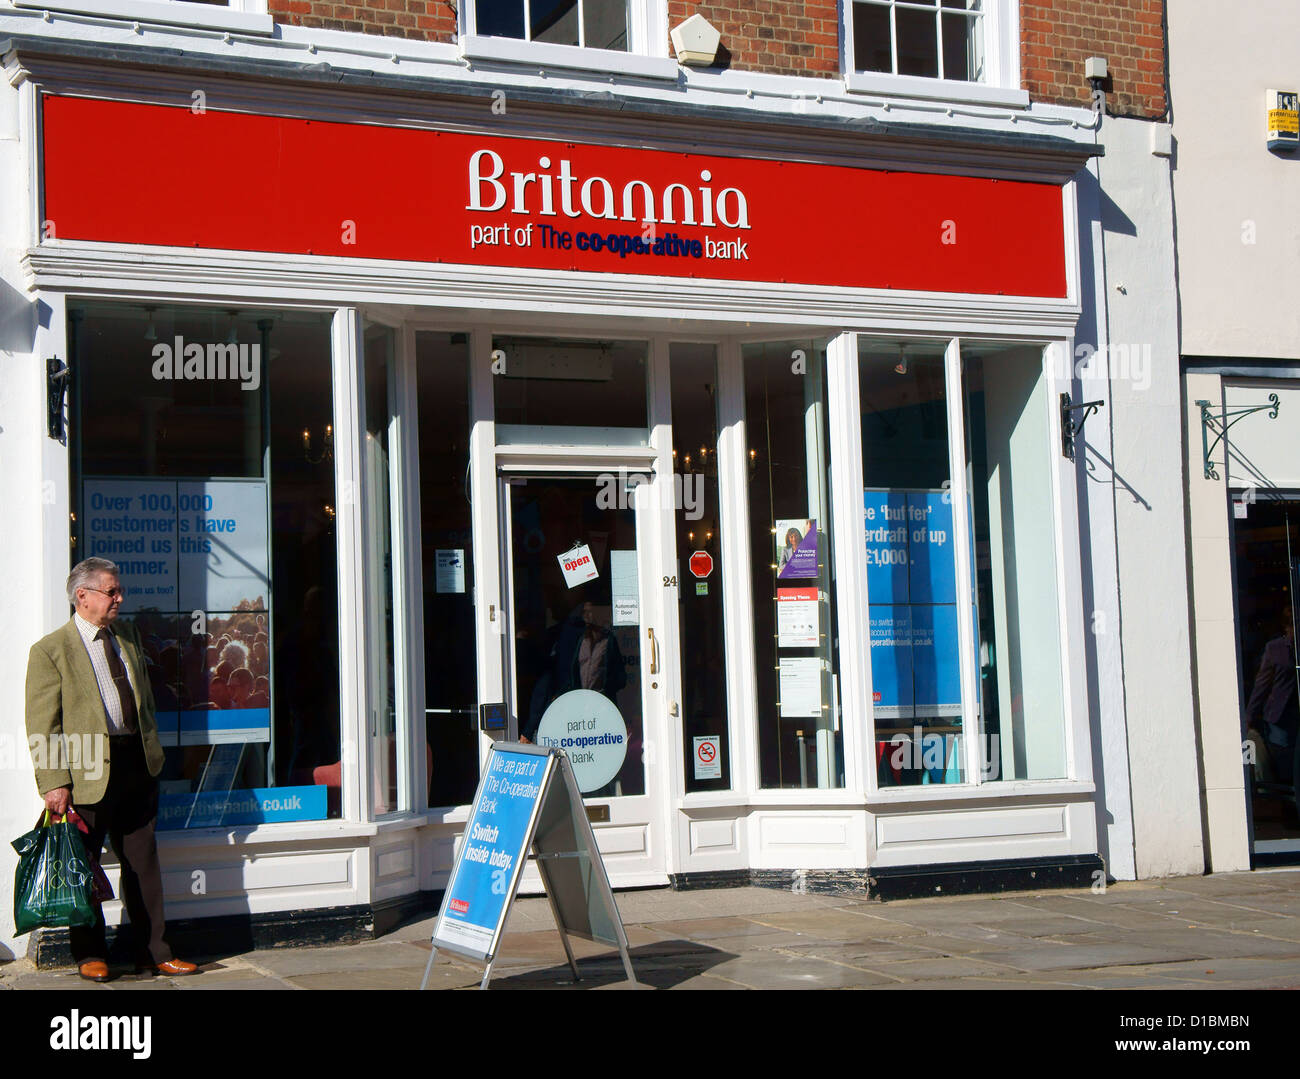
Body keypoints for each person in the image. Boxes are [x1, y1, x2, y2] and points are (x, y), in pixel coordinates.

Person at [25, 557, 199, 981]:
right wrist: (54, 783)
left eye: (118, 590)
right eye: (111, 591)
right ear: (82, 597)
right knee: (81, 867)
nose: (119, 598)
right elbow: (42, 724)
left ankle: (154, 952)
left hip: (134, 766)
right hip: (84, 771)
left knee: (144, 864)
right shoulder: (51, 650)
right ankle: (89, 954)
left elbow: (144, 702)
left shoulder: (128, 635)